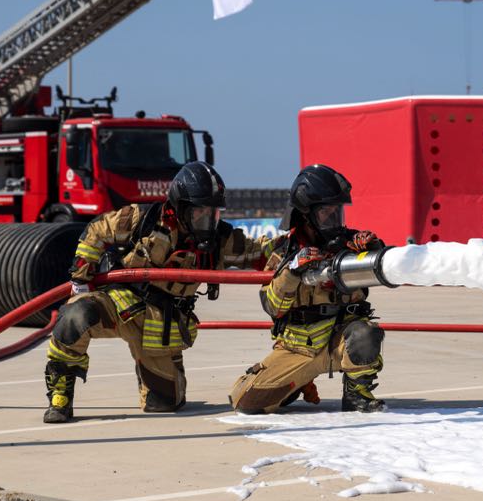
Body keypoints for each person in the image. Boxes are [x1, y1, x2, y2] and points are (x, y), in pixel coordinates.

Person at [43, 162, 266, 423]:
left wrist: (299, 246)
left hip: (162, 327)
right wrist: (81, 278)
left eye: (213, 213)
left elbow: (259, 251)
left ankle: (161, 377)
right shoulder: (141, 220)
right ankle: (60, 396)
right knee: (76, 314)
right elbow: (96, 231)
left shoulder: (220, 240)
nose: (208, 220)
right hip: (121, 306)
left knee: (164, 405)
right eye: (200, 212)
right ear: (180, 208)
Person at [229, 164, 388, 414]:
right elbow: (272, 306)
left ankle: (358, 394)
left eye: (338, 212)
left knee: (365, 333)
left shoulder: (352, 245)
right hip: (298, 348)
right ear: (306, 215)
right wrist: (293, 271)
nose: (335, 220)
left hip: (340, 342)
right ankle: (296, 382)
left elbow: (383, 269)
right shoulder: (283, 253)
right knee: (246, 402)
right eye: (327, 213)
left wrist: (375, 246)